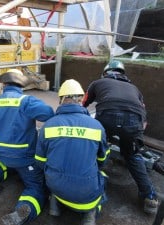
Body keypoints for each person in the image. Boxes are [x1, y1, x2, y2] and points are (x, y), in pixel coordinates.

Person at [82, 60, 159, 214]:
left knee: (94, 149)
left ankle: (86, 183)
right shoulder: (135, 89)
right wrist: (136, 137)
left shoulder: (98, 83)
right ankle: (150, 197)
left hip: (106, 116)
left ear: (105, 72)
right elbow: (143, 115)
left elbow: (83, 105)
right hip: (134, 122)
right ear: (123, 74)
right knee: (133, 155)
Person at [35, 79, 110, 225]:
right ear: (81, 99)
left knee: (54, 174)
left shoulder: (48, 126)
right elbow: (103, 160)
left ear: (61, 100)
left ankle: (55, 206)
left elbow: (39, 161)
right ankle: (90, 214)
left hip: (55, 186)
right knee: (102, 177)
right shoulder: (96, 126)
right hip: (86, 192)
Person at [0, 69, 54, 225]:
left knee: (10, 164)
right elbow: (48, 114)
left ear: (3, 85)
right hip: (24, 158)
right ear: (20, 85)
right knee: (36, 185)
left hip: (0, 153)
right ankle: (24, 209)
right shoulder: (26, 101)